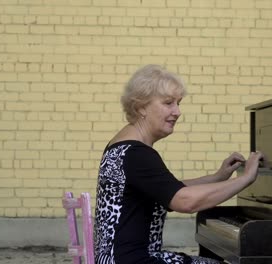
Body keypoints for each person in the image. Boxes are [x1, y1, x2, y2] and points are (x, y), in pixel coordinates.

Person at [94, 64, 263, 264]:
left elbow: (165, 187)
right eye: (168, 103)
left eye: (178, 103)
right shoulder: (136, 153)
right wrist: (246, 179)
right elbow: (184, 201)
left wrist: (218, 177)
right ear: (141, 107)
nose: (177, 111)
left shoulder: (123, 146)